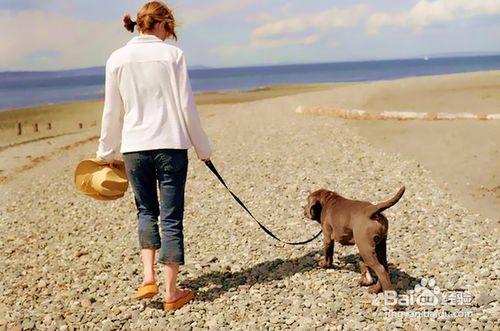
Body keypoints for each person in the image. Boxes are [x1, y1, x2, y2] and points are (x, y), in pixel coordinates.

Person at [95, 1, 212, 310]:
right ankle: (172, 294)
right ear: (161, 24)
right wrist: (203, 148)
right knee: (171, 218)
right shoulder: (172, 56)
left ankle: (148, 278)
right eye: (168, 29)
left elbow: (112, 110)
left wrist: (105, 152)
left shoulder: (116, 58)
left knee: (146, 211)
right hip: (171, 145)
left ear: (139, 24)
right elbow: (187, 106)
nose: (168, 36)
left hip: (134, 147)